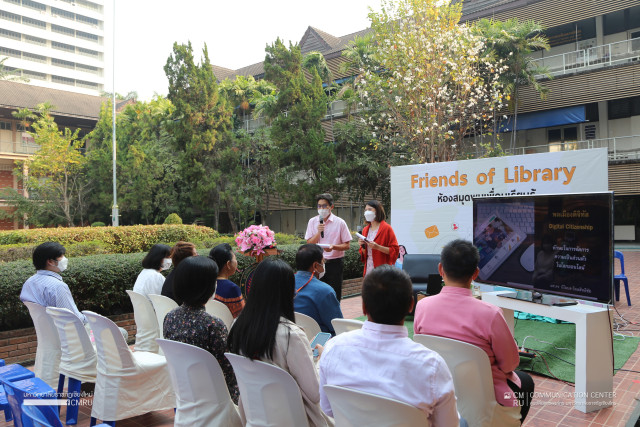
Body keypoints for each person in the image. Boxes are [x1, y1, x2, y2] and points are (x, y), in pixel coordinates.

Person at [318, 265, 460, 426]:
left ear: (364, 307)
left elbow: (328, 409)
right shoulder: (432, 365)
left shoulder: (333, 348)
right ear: (411, 305)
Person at [414, 239, 534, 423]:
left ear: (440, 270)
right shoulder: (491, 314)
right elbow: (509, 365)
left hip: (437, 391)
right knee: (526, 382)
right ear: (475, 273)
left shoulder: (423, 307)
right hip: (484, 401)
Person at [228, 258, 333, 427]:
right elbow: (314, 394)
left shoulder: (237, 325)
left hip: (255, 417)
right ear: (287, 292)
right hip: (295, 420)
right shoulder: (291, 334)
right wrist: (320, 361)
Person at [163, 256, 239, 403]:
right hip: (214, 398)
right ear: (207, 287)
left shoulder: (170, 316)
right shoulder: (213, 324)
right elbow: (228, 373)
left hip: (184, 392)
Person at [20, 241, 128, 340]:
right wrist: (94, 319)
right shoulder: (57, 286)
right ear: (50, 262)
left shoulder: (29, 282)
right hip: (71, 338)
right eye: (61, 256)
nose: (64, 259)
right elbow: (74, 319)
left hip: (50, 338)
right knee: (121, 332)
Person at [305, 193, 352, 301]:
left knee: (334, 295)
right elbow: (309, 243)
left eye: (324, 206)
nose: (321, 208)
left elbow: (347, 245)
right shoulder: (312, 221)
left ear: (331, 207)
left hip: (334, 264)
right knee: (317, 295)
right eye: (319, 206)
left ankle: (334, 317)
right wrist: (318, 232)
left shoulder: (340, 223)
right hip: (317, 264)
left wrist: (333, 247)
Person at [294, 244, 343, 335]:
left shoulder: (283, 283)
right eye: (323, 261)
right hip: (318, 343)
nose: (324, 265)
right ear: (315, 265)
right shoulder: (325, 291)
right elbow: (337, 326)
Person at [358, 200, 399, 276]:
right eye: (366, 210)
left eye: (370, 209)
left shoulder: (387, 228)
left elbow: (395, 250)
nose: (367, 212)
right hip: (369, 268)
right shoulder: (365, 230)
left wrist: (378, 247)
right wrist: (362, 245)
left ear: (377, 211)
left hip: (383, 269)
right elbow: (364, 253)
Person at [209, 243, 245, 318]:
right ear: (228, 264)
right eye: (235, 258)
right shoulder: (232, 288)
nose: (236, 261)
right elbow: (241, 317)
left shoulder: (206, 284)